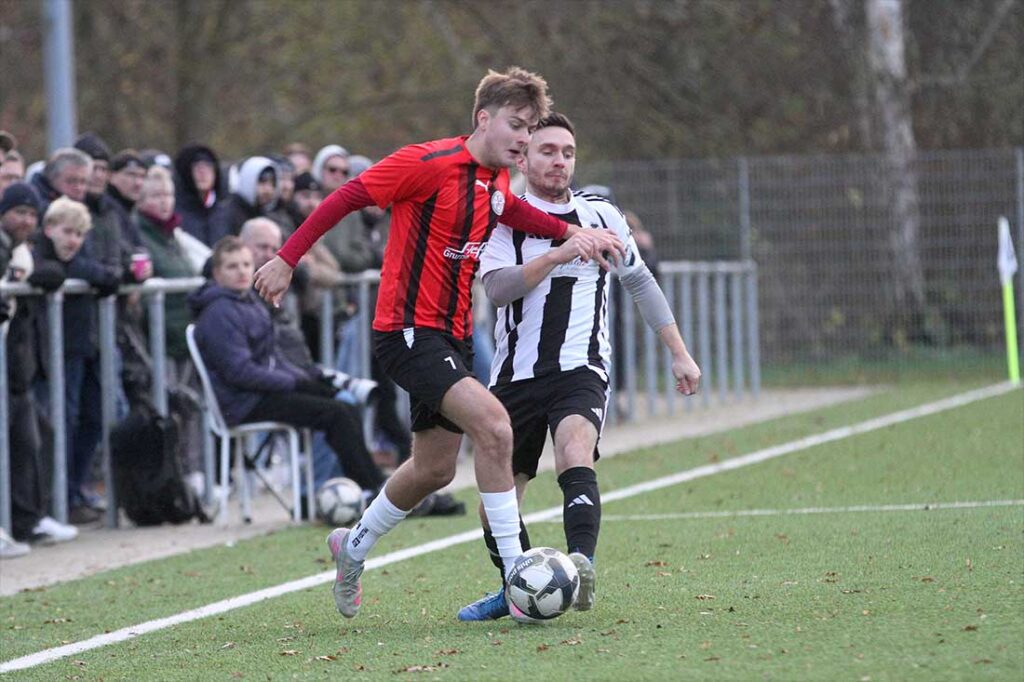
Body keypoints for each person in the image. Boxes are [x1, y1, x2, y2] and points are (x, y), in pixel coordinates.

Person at [254, 66, 625, 621]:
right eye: (517, 126)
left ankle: (351, 547)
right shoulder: (425, 163)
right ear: (484, 118)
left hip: (449, 332)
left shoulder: (498, 178)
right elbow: (346, 198)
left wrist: (571, 231)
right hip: (406, 330)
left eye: (530, 129)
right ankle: (517, 574)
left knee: (432, 470)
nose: (524, 139)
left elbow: (513, 211)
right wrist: (287, 258)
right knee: (496, 428)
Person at [458, 112, 702, 621]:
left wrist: (678, 352)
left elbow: (640, 283)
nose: (559, 162)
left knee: (575, 450)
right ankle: (513, 586)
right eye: (548, 151)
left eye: (568, 153)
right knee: (495, 499)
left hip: (580, 366)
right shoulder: (503, 217)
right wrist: (561, 251)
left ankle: (580, 567)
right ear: (523, 158)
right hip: (513, 376)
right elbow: (499, 289)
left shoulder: (603, 215)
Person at [189, 236, 388, 499]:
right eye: (232, 266)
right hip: (245, 403)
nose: (241, 272)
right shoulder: (219, 312)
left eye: (246, 265)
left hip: (264, 393)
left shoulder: (248, 302)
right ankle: (370, 490)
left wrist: (307, 379)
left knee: (344, 402)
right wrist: (295, 383)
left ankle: (369, 485)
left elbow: (274, 358)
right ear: (216, 273)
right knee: (336, 414)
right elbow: (239, 372)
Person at [0, 182, 79, 555]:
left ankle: (27, 521)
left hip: (17, 367)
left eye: (32, 214)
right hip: (10, 364)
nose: (25, 221)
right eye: (20, 212)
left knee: (33, 439)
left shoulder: (21, 250)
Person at [34, 196, 121, 523]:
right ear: (49, 229)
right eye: (67, 232)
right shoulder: (36, 254)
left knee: (93, 420)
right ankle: (53, 500)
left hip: (83, 352)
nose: (73, 240)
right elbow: (51, 272)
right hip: (50, 356)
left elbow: (107, 275)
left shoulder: (78, 257)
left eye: (79, 234)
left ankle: (71, 490)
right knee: (57, 425)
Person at [173, 143, 225, 247]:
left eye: (208, 166)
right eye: (196, 167)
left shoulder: (225, 213)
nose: (203, 172)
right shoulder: (174, 214)